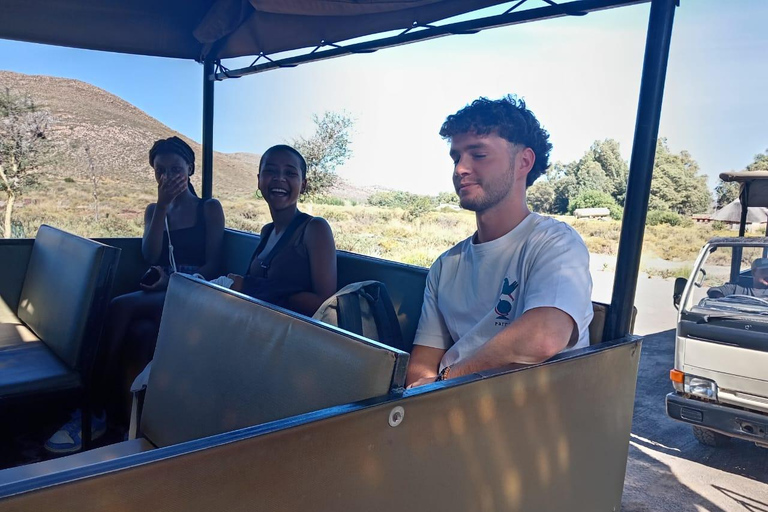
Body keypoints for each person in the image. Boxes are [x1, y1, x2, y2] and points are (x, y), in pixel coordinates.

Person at [45, 136, 225, 454]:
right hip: (160, 296)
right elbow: (148, 253)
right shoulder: (155, 209)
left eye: (175, 169)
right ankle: (123, 418)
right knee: (140, 334)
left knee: (119, 305)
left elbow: (213, 265)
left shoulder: (208, 209)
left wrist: (173, 280)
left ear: (191, 169)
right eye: (160, 171)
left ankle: (91, 410)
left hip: (193, 294)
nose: (167, 177)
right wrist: (162, 210)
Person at [406, 96, 594, 388]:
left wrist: (445, 382)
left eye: (478, 155)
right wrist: (428, 394)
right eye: (456, 158)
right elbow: (422, 364)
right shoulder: (445, 266)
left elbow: (545, 336)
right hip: (445, 410)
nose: (460, 169)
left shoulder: (554, 243)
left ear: (524, 162)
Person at [228, 144, 337, 317]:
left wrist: (249, 287)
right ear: (259, 180)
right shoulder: (266, 231)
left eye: (290, 173)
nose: (279, 178)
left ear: (303, 185)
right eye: (270, 171)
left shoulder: (315, 228)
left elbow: (325, 305)